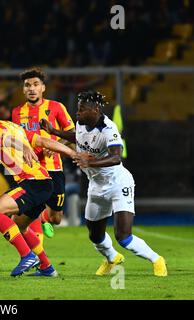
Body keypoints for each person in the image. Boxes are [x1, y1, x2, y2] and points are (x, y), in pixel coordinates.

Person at [41, 90, 167, 277]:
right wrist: (54, 131)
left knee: (123, 236)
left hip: (118, 184)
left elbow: (116, 157)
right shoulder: (82, 124)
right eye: (78, 109)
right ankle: (112, 258)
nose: (77, 113)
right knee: (95, 235)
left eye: (81, 110)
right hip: (96, 186)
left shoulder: (109, 129)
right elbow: (76, 136)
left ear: (95, 110)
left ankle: (157, 260)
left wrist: (89, 162)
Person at [0, 96, 77, 277]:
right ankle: (47, 268)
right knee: (20, 226)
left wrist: (21, 146)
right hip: (43, 183)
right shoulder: (14, 126)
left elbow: (3, 139)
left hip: (34, 183)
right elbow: (44, 141)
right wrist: (72, 152)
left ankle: (27, 256)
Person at [12, 67, 76, 242]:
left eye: (35, 84)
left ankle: (43, 217)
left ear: (43, 88)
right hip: (32, 171)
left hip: (54, 168)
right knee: (22, 218)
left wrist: (58, 145)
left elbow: (73, 135)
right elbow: (18, 139)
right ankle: (37, 256)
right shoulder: (17, 112)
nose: (31, 89)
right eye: (27, 85)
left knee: (56, 218)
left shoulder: (56, 107)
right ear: (23, 89)